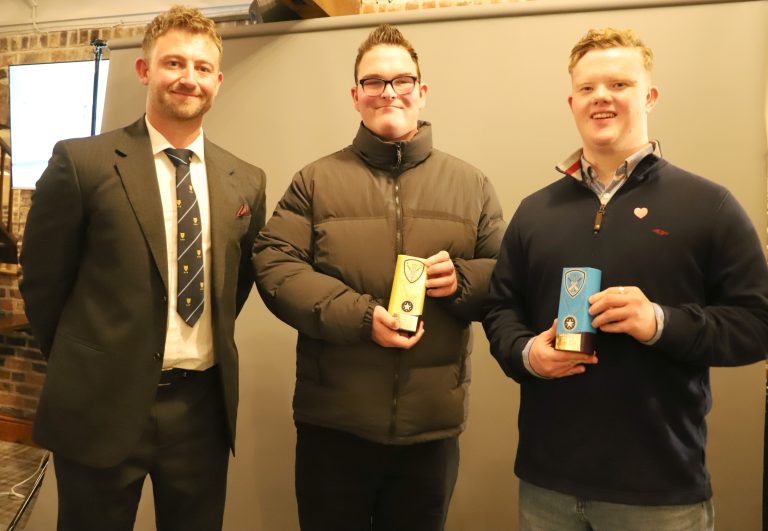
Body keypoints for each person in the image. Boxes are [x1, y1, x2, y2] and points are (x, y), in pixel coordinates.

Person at [483, 27, 768, 530]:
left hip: (659, 492)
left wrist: (660, 322)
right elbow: (501, 309)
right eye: (588, 88)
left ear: (649, 96)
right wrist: (529, 355)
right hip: (545, 485)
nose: (601, 99)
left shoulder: (709, 205)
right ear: (571, 101)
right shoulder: (534, 211)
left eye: (619, 84)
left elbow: (757, 323)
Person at [19, 6, 266, 530]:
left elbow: (234, 286)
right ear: (145, 70)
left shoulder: (245, 179)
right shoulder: (81, 164)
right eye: (173, 63)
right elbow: (42, 284)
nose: (188, 78)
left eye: (202, 68)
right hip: (101, 405)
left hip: (200, 411)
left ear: (217, 81)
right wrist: (88, 361)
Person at [253, 23, 504, 531]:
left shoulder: (471, 184)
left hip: (429, 434)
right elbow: (274, 263)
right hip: (334, 427)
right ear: (356, 96)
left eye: (401, 80)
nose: (388, 92)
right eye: (374, 82)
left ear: (421, 91)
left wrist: (463, 282)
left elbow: (509, 273)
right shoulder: (315, 181)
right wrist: (363, 316)